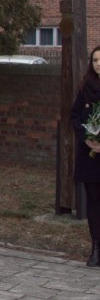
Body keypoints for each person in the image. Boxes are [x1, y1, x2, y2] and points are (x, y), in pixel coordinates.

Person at [71, 45, 100, 266]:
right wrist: (87, 138)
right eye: (95, 60)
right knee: (94, 201)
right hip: (90, 156)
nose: (98, 63)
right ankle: (96, 248)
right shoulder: (85, 88)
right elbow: (75, 116)